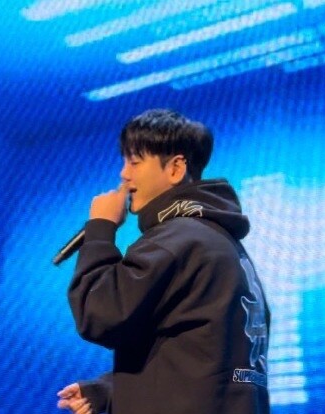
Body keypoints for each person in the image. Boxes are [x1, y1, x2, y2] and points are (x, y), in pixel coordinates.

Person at [57, 109, 270, 414]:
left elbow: (100, 314)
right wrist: (111, 390)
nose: (124, 174)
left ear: (175, 168)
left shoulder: (176, 239)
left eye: (135, 162)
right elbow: (203, 358)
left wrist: (100, 229)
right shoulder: (224, 246)